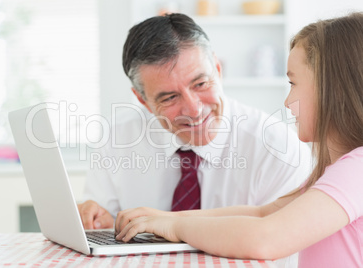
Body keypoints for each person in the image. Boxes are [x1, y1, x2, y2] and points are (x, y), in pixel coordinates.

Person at [114, 12, 363, 267]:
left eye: (293, 83)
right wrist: (163, 219)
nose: (287, 102)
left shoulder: (357, 170)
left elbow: (266, 238)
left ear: (331, 89)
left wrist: (176, 225)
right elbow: (261, 214)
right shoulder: (338, 172)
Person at [77, 13, 311, 233]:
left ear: (218, 70)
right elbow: (101, 223)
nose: (194, 110)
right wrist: (99, 222)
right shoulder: (116, 138)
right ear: (143, 100)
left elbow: (280, 248)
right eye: (170, 97)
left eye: (200, 84)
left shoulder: (278, 148)